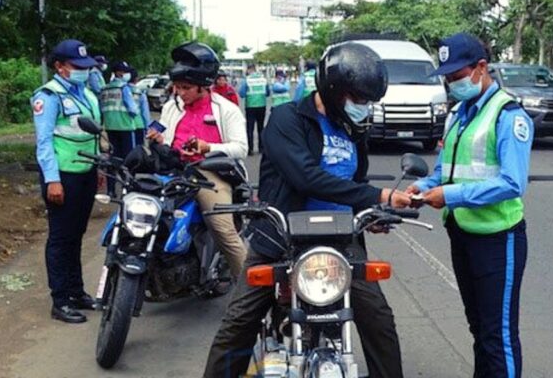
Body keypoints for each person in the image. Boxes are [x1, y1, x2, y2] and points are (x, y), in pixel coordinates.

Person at [204, 42, 411, 378]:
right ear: (332, 91)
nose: (364, 107)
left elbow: (355, 180)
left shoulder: (353, 128)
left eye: (368, 101)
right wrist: (378, 195)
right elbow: (306, 177)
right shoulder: (287, 119)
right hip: (280, 238)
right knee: (238, 322)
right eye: (358, 99)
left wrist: (369, 213)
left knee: (379, 319)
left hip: (340, 240)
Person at [406, 32, 533, 378]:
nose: (451, 84)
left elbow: (512, 183)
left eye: (457, 76)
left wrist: (449, 196)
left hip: (498, 237)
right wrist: (425, 186)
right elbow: (445, 171)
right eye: (447, 78)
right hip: (461, 233)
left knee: (499, 335)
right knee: (479, 330)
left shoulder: (508, 115)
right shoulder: (458, 114)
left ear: (481, 67)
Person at [145, 41, 248, 281]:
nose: (180, 92)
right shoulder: (172, 107)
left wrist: (207, 147)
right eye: (177, 87)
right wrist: (159, 138)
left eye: (186, 88)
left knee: (224, 231)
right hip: (174, 170)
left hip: (209, 173)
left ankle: (250, 291)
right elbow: (167, 135)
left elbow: (241, 148)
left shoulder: (226, 110)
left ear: (203, 86)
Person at [31, 39, 101, 323]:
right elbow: (44, 141)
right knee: (61, 238)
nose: (83, 71)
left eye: (86, 66)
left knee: (76, 235)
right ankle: (60, 301)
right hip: (63, 176)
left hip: (86, 172)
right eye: (77, 66)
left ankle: (76, 292)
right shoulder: (48, 96)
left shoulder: (86, 92)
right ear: (60, 67)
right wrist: (52, 181)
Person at [100, 60, 142, 193]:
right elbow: (133, 109)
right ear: (119, 73)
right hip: (126, 127)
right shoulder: (124, 88)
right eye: (125, 71)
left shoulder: (105, 88)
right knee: (129, 160)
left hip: (110, 127)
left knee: (113, 159)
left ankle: (111, 190)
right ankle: (128, 187)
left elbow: (101, 108)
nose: (127, 74)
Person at [238, 64, 270, 155]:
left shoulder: (247, 80)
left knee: (250, 128)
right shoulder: (263, 80)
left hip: (250, 106)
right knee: (261, 127)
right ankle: (261, 148)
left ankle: (250, 149)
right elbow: (267, 93)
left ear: (249, 70)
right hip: (262, 105)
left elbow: (241, 94)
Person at [126, 67, 151, 132]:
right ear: (136, 79)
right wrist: (148, 127)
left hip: (124, 125)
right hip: (138, 124)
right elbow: (145, 113)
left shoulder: (121, 91)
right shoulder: (140, 93)